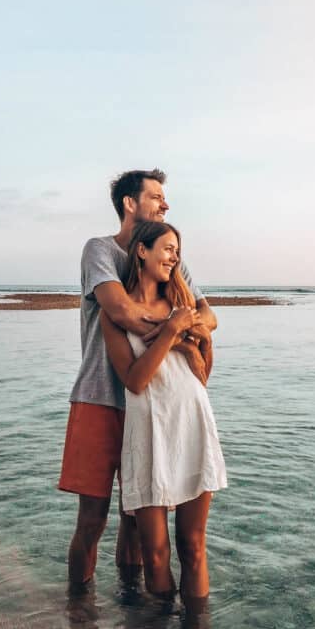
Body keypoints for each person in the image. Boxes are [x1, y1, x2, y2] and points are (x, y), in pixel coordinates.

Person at [58, 169, 216, 589]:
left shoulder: (170, 258)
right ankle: (79, 613)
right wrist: (175, 327)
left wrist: (184, 330)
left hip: (149, 409)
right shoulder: (101, 251)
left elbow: (209, 317)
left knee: (136, 520)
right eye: (157, 196)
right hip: (98, 397)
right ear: (130, 203)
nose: (165, 204)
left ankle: (133, 610)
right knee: (92, 520)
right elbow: (122, 312)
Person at [100, 221, 227, 603]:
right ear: (142, 250)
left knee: (192, 547)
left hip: (191, 424)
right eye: (168, 248)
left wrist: (192, 346)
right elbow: (135, 381)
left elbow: (202, 375)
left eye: (178, 250)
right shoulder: (117, 314)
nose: (175, 257)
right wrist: (172, 333)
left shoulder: (184, 305)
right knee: (155, 555)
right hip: (148, 432)